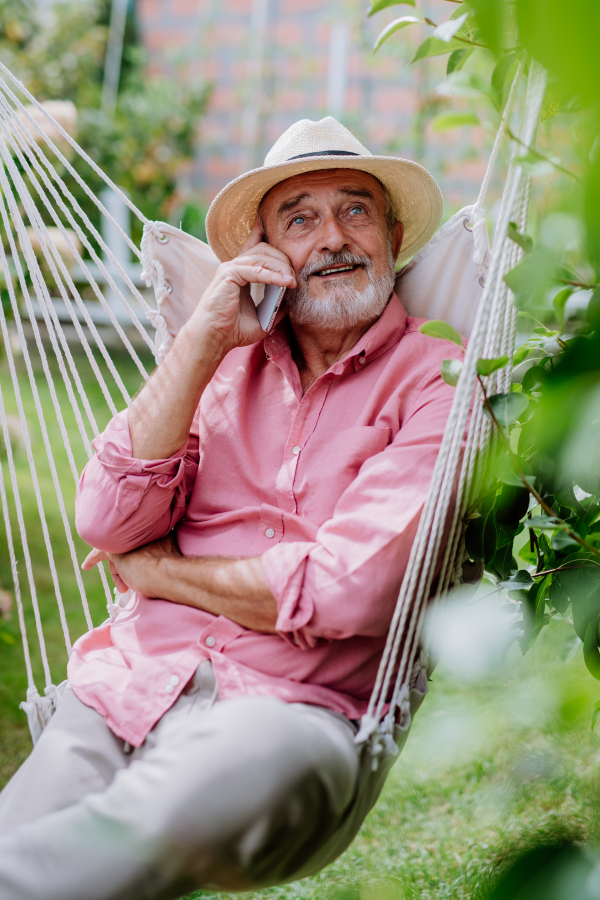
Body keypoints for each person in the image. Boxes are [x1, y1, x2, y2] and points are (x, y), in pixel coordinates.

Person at [0, 117, 463, 900]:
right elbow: (107, 520)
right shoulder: (216, 369)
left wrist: (159, 574)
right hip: (126, 690)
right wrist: (207, 337)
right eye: (301, 218)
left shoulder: (437, 378)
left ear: (392, 234)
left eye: (355, 210)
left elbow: (346, 589)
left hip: (291, 715)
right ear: (267, 253)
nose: (333, 239)